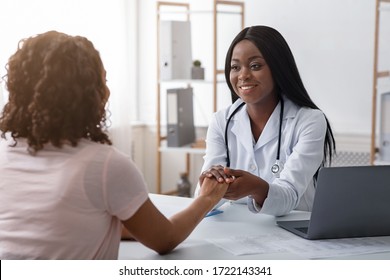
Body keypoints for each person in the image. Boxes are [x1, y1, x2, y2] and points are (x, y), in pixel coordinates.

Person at [0, 31, 228, 260]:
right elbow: (165, 238)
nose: (108, 92)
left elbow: (53, 225)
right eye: (103, 82)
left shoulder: (4, 153)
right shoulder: (104, 164)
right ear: (89, 96)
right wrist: (207, 198)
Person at [195, 25, 335, 216]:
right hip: (239, 230)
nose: (243, 75)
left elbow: (289, 195)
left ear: (278, 68)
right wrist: (211, 181)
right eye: (235, 67)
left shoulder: (309, 121)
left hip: (293, 232)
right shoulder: (222, 121)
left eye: (255, 66)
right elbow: (203, 198)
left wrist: (256, 187)